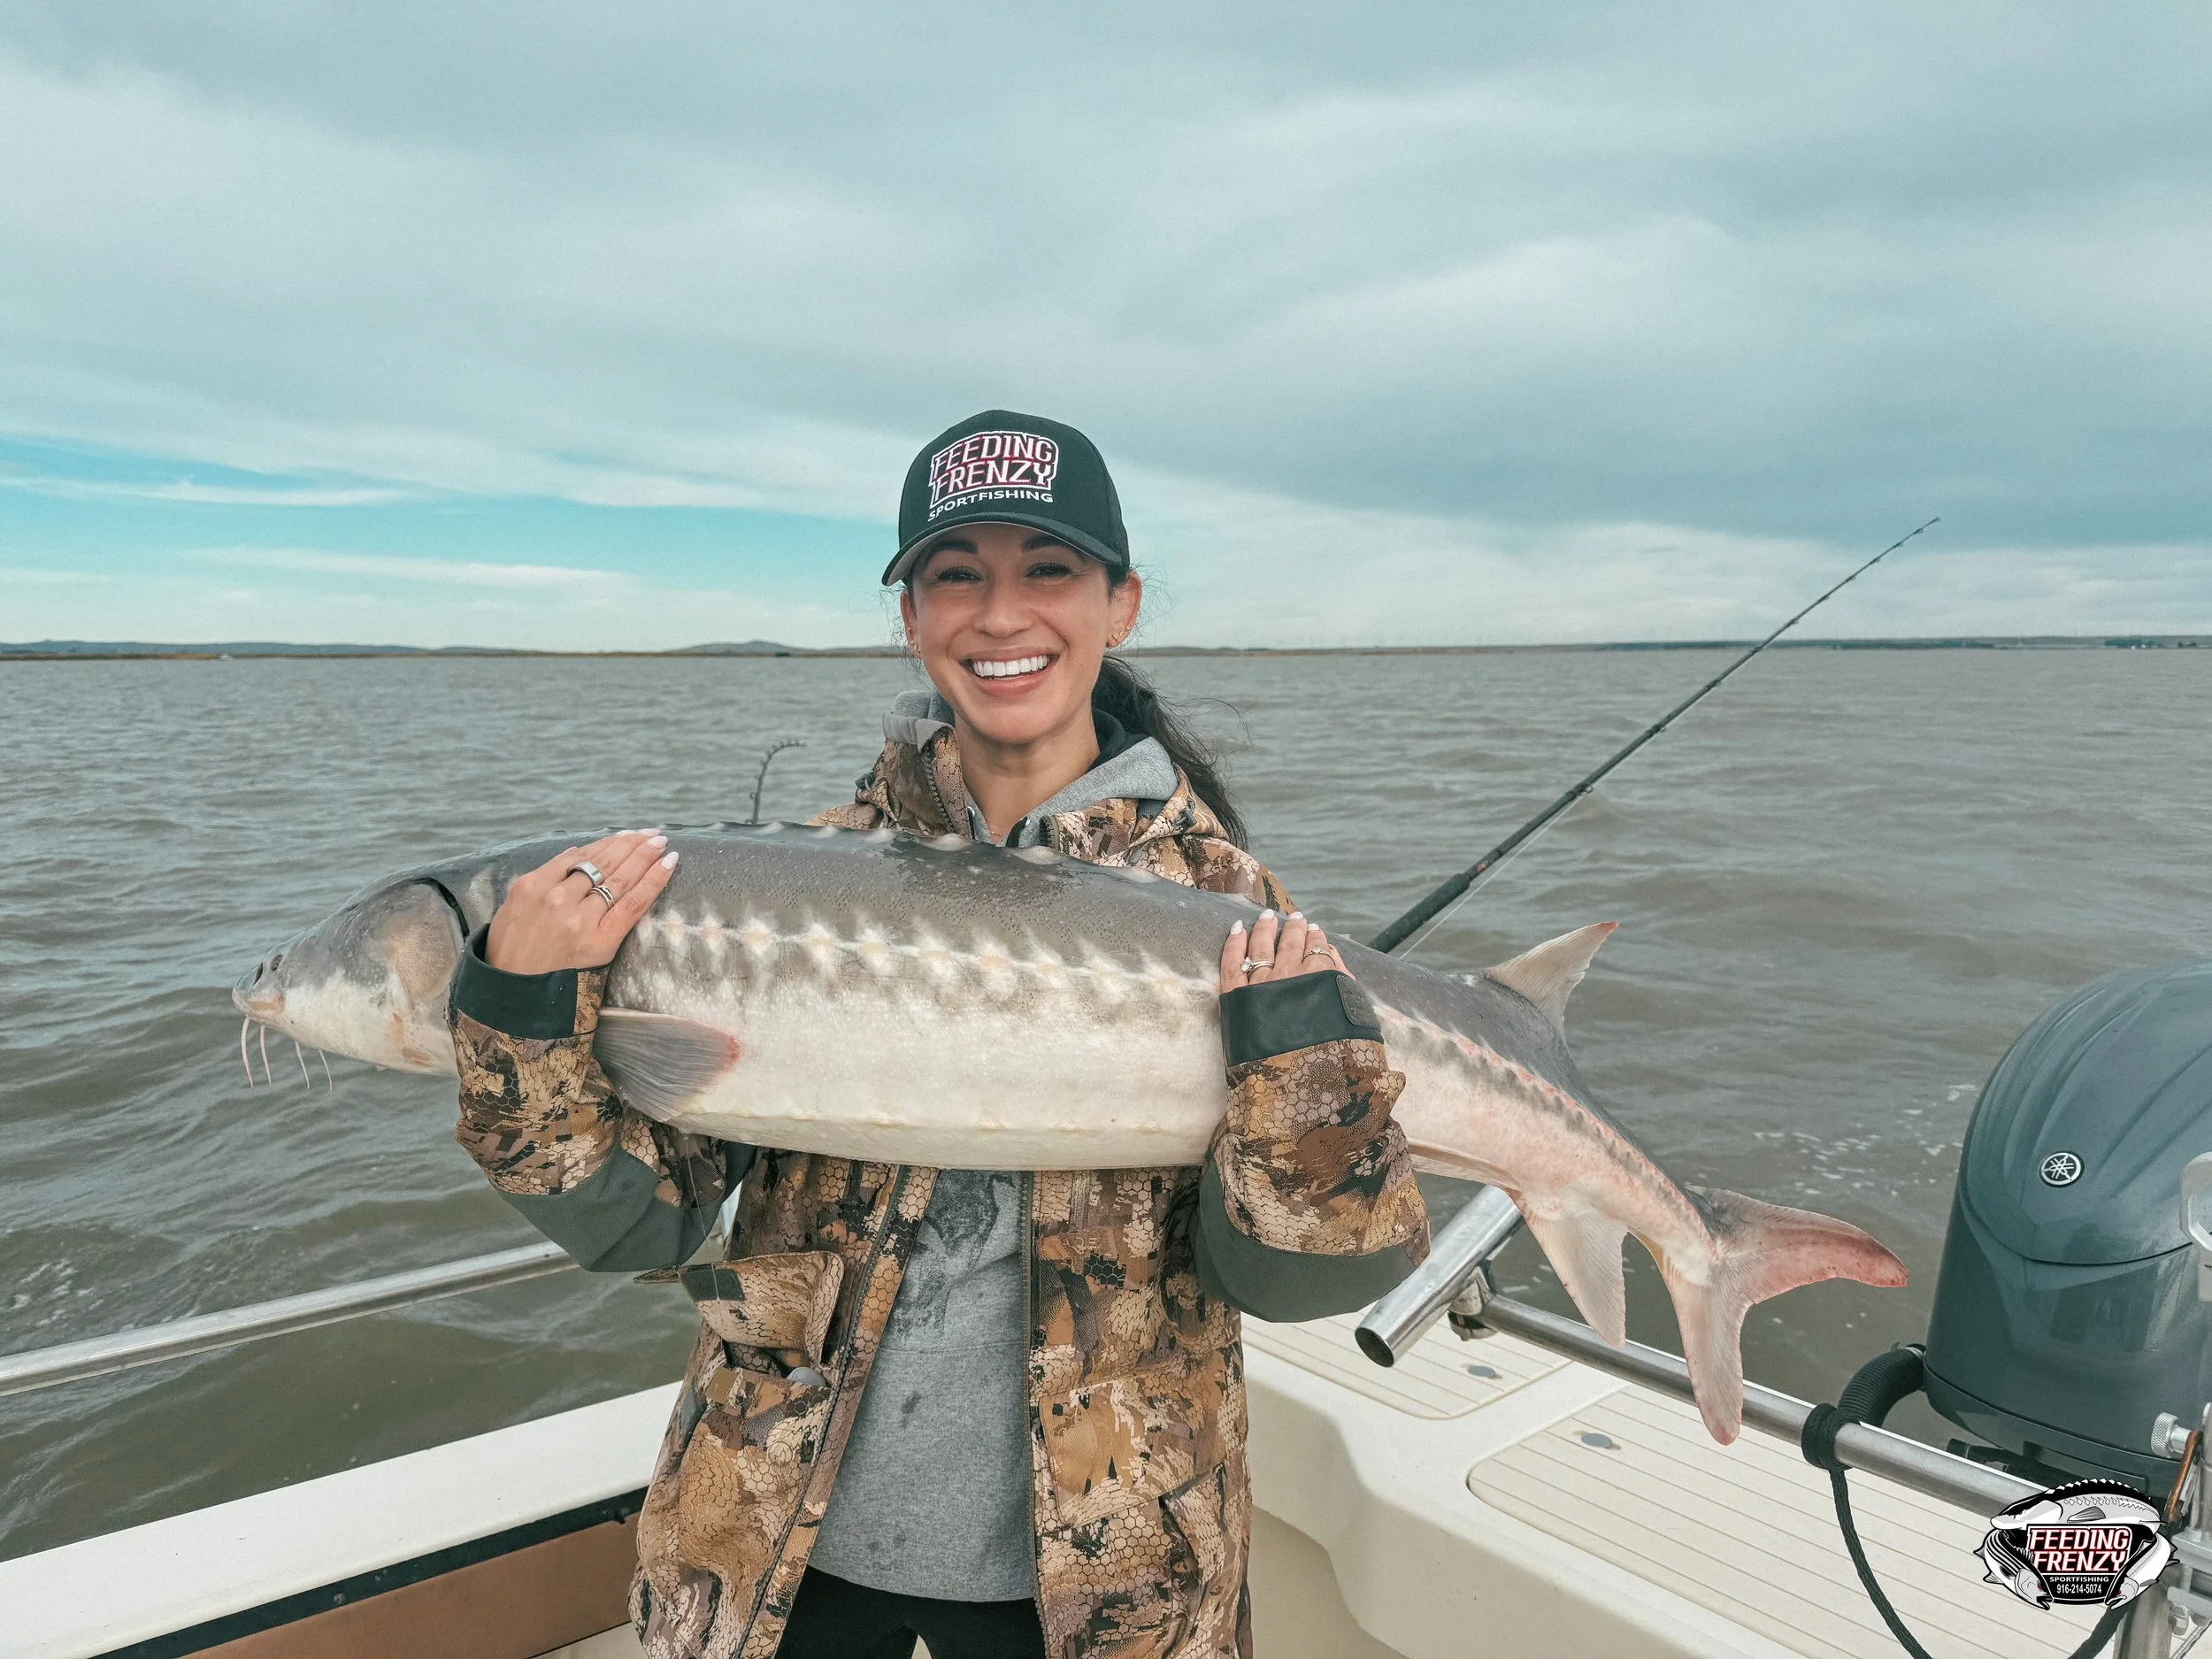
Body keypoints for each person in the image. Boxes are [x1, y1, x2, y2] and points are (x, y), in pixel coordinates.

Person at [448, 410, 1431, 1659]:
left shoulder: (1238, 909)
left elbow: (1301, 1278)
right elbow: (646, 1218)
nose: (1000, 614)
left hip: (1104, 1587)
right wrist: (523, 1024)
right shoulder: (789, 883)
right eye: (955, 575)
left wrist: (1303, 1089)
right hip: (779, 1548)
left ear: (1120, 604)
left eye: (1049, 570)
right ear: (912, 618)